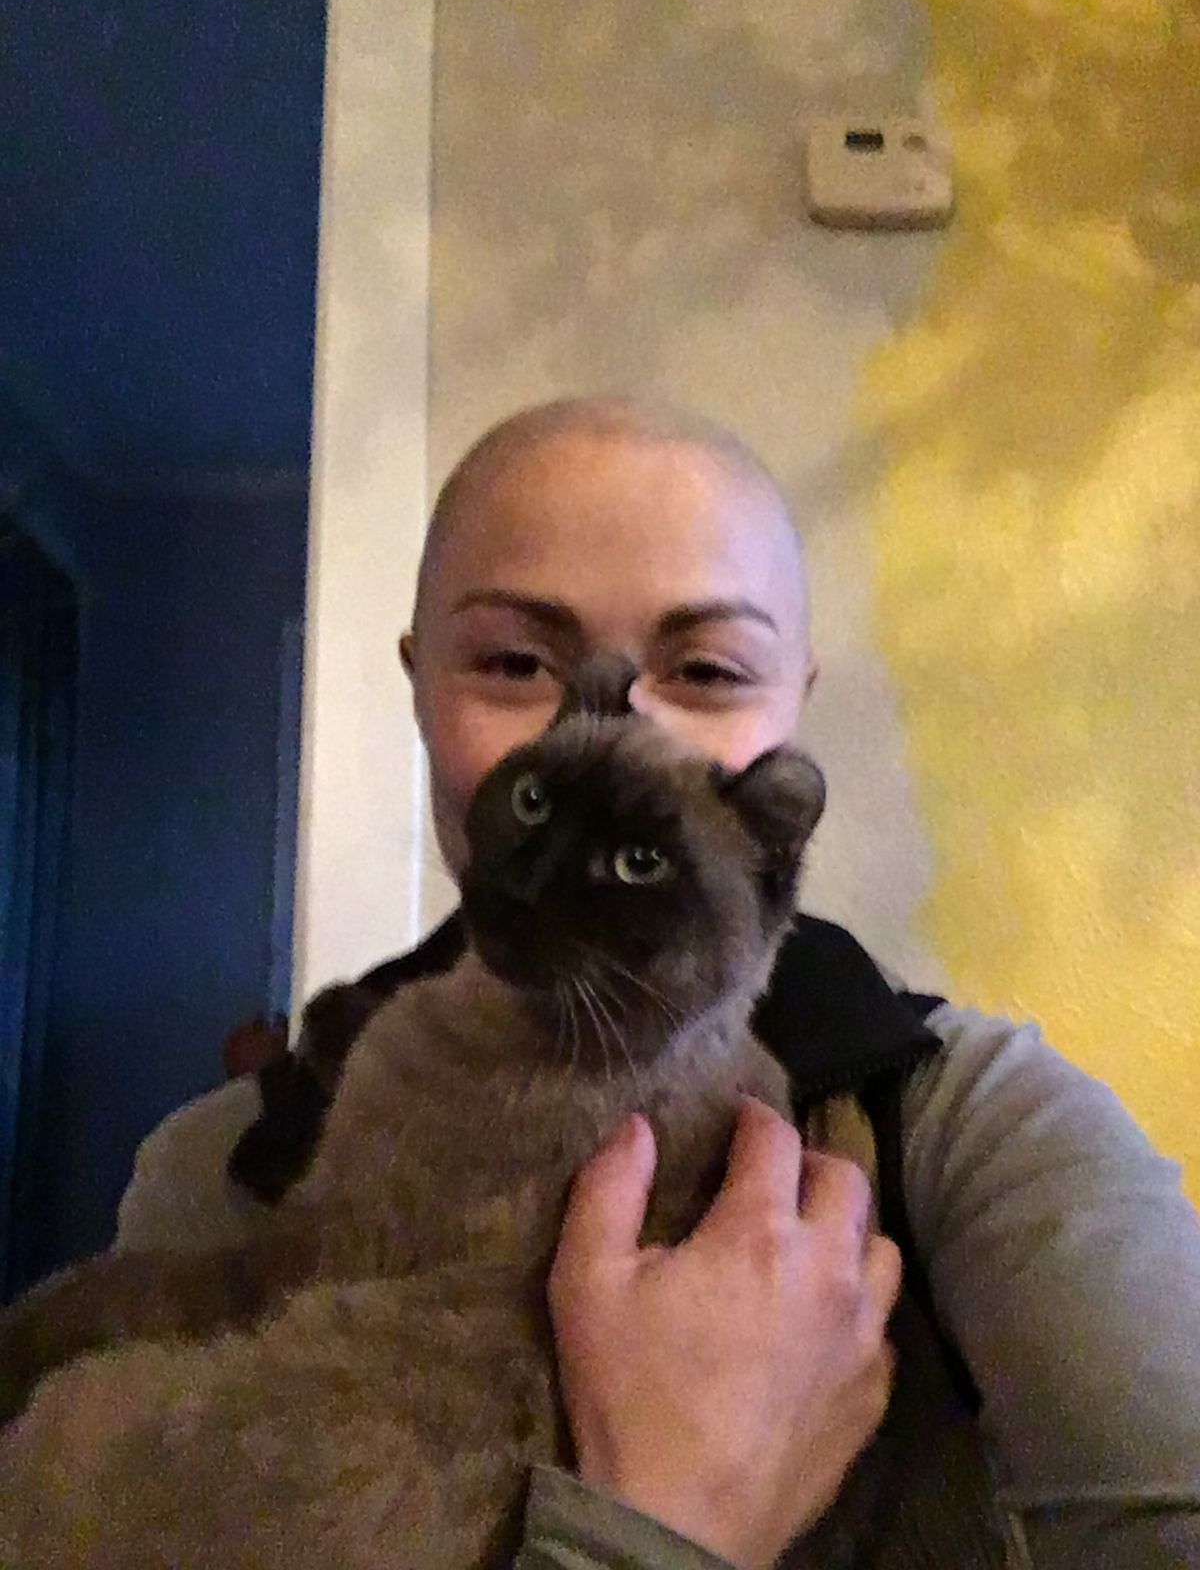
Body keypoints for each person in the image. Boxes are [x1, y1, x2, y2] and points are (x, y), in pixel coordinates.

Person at [117, 398, 1200, 1567]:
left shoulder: (975, 1129)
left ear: (793, 704)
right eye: (516, 662)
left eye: (710, 671)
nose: (621, 734)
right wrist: (670, 1521)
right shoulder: (221, 1165)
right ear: (419, 685)